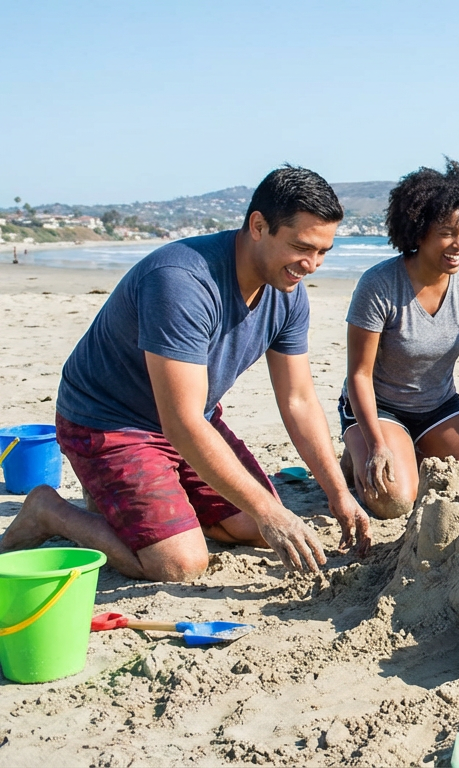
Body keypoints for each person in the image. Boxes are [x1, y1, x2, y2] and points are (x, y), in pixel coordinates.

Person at [2, 166, 371, 581]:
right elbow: (181, 422)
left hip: (193, 416)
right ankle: (50, 512)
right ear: (258, 226)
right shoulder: (181, 281)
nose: (313, 265)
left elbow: (298, 400)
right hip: (110, 421)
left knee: (253, 527)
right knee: (179, 563)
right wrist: (270, 510)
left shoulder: (287, 292)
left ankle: (140, 506)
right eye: (302, 247)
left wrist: (339, 494)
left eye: (324, 251)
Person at [339, 160, 459, 519]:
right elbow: (359, 376)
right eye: (447, 232)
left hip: (438, 407)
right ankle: (362, 447)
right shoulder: (379, 285)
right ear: (418, 232)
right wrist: (377, 444)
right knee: (395, 503)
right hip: (380, 407)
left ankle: (414, 450)